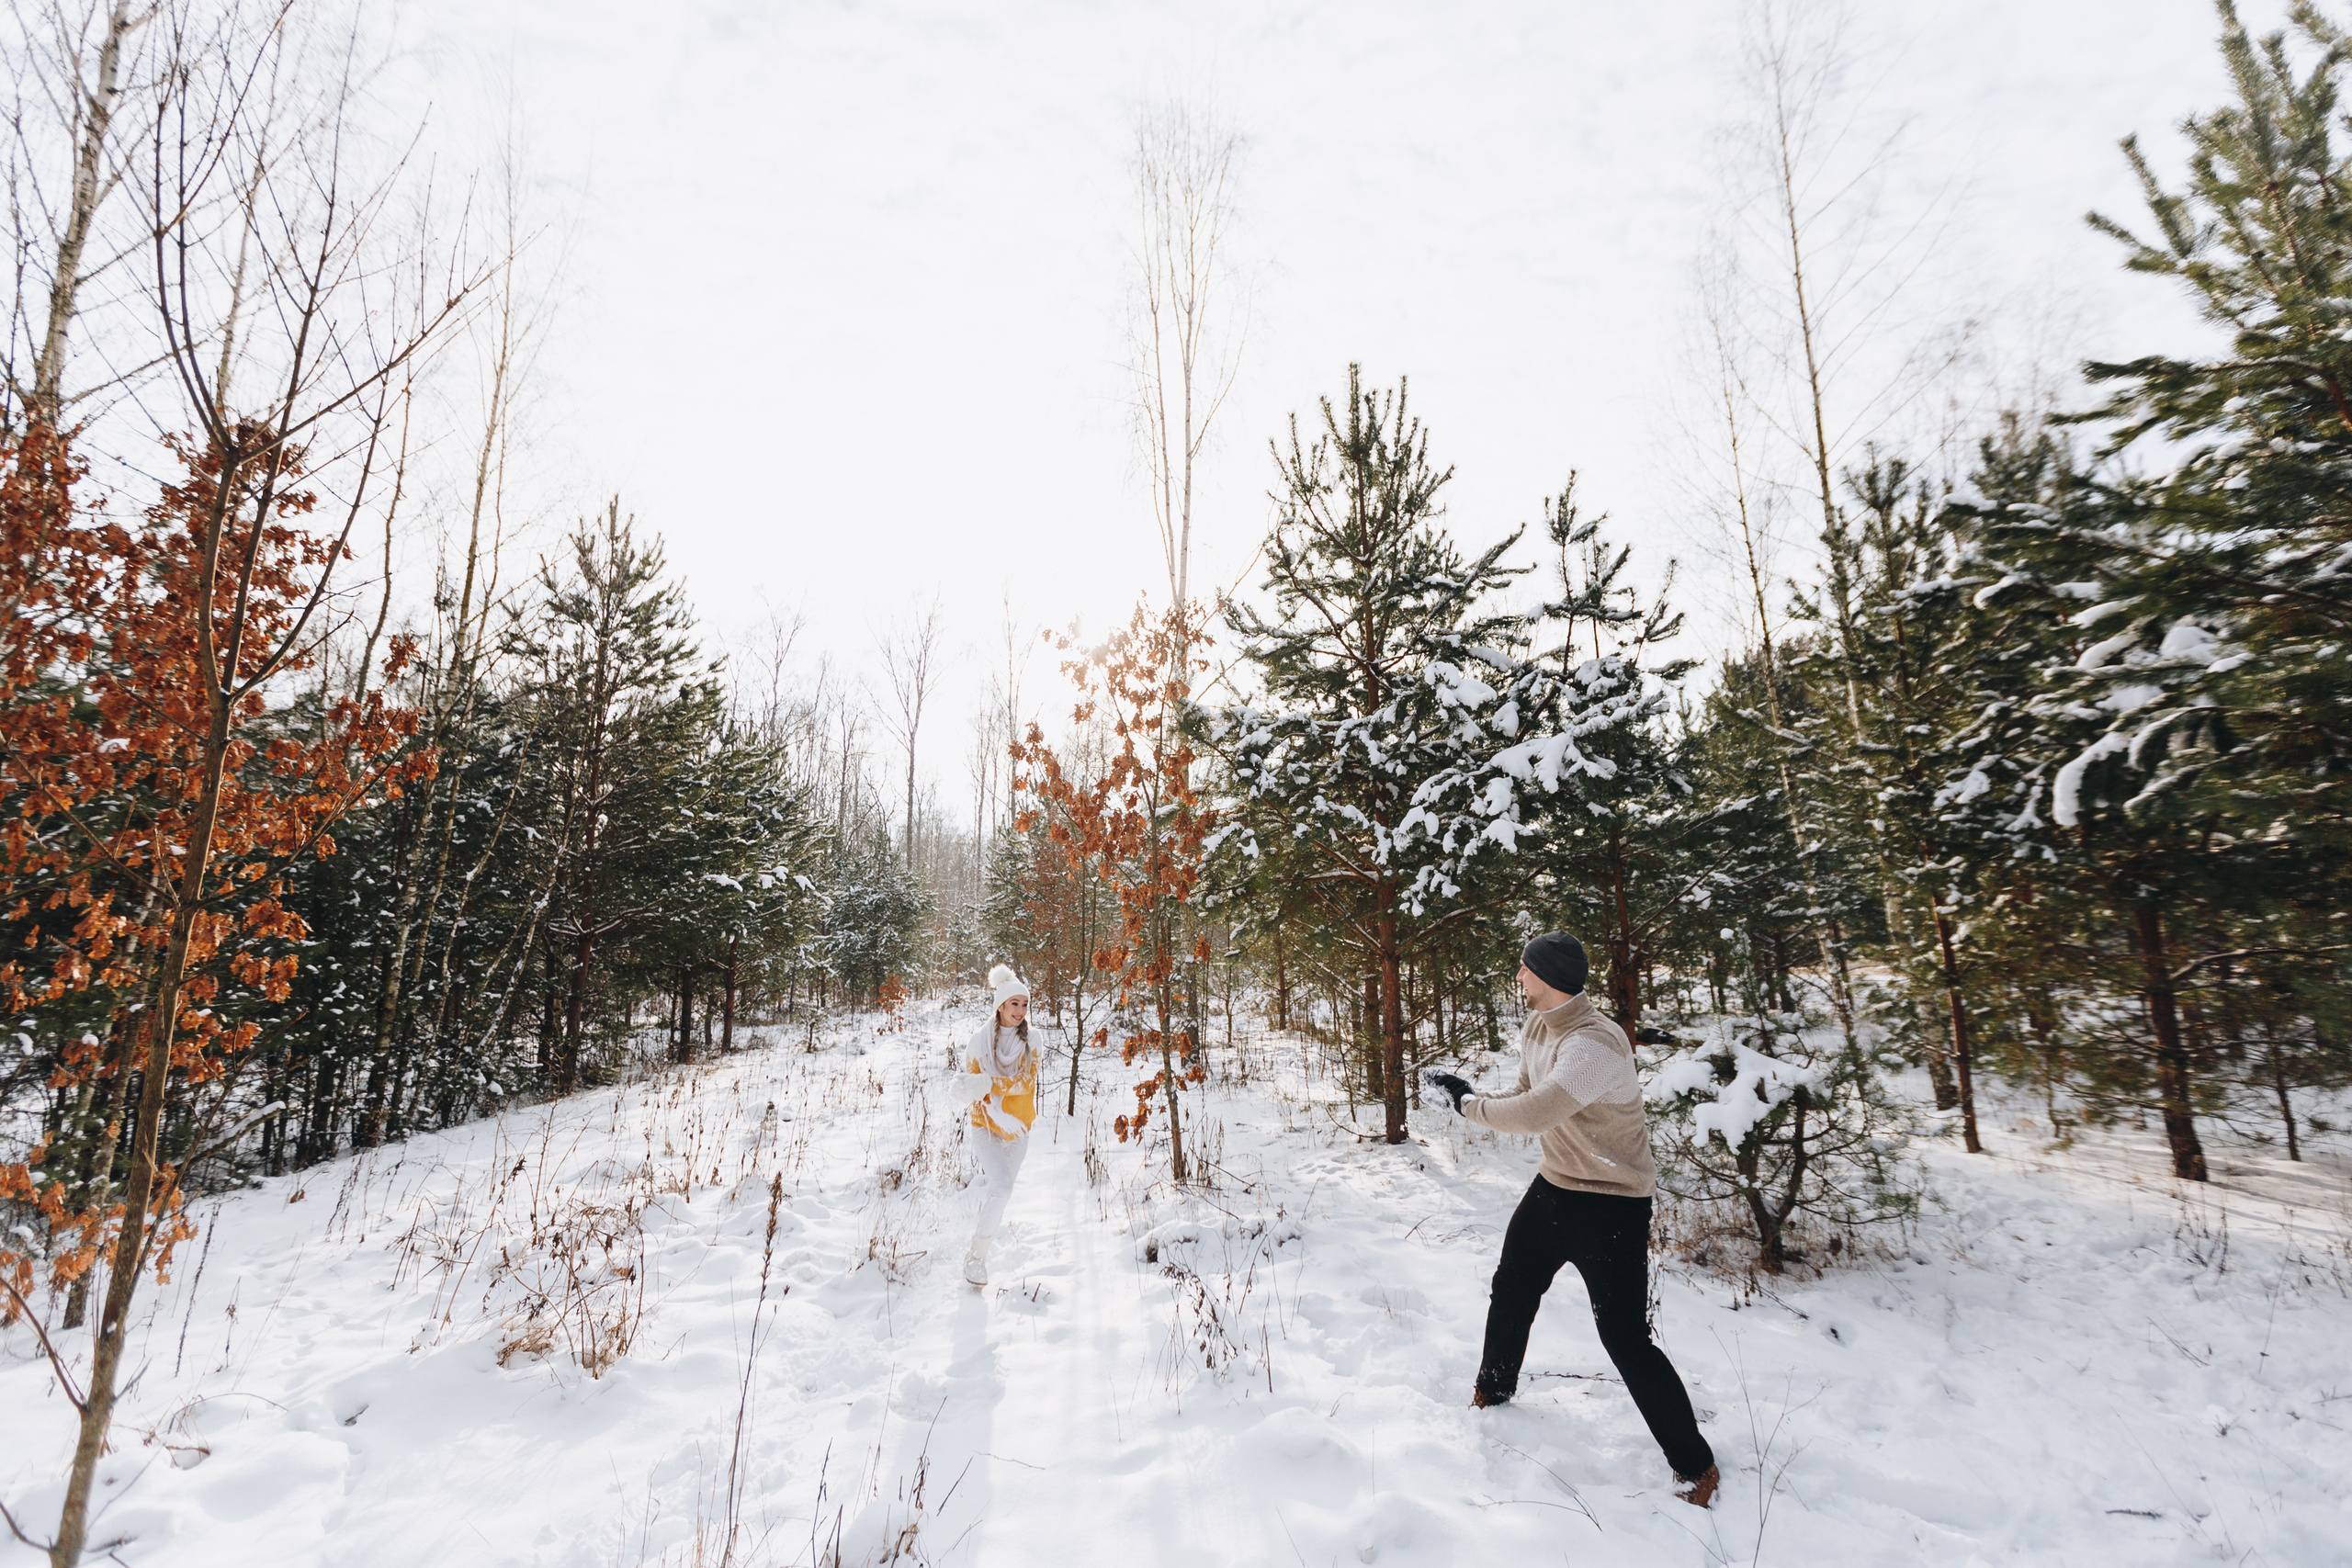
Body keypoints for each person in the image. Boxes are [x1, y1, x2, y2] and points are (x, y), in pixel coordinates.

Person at [1425, 931, 1721, 1508]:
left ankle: (1696, 1465)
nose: (1518, 978)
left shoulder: (1594, 1044)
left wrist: (1464, 1106)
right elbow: (1525, 1091)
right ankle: (1494, 1390)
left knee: (1625, 1339)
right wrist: (1477, 1094)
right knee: (1512, 1287)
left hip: (1612, 1203)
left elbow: (1538, 1111)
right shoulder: (1538, 1023)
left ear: (1549, 975)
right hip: (1556, 1185)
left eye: (1524, 970)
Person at [954, 964, 1039, 1285]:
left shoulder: (1034, 1041)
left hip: (1019, 1127)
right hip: (985, 1124)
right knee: (1001, 1187)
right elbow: (974, 1091)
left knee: (1001, 1192)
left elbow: (1024, 1084)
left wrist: (987, 1085)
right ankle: (976, 1258)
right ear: (1000, 1006)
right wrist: (994, 1109)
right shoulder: (978, 1042)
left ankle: (979, 1245)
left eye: (1025, 1004)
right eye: (1014, 1004)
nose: (1020, 1011)